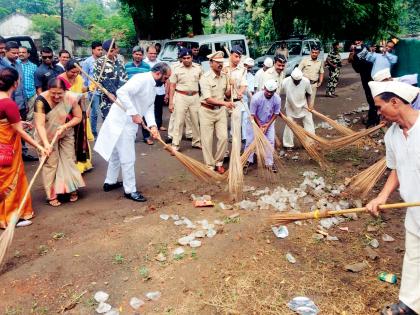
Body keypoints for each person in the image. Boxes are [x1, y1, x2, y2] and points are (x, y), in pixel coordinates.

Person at [366, 80, 420, 315]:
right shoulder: (392, 136)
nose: (378, 113)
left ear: (395, 102)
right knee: (414, 256)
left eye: (380, 107)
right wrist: (382, 196)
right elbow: (395, 169)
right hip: (414, 207)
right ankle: (409, 304)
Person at [94, 63, 171, 202]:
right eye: (166, 78)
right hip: (122, 121)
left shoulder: (153, 86)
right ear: (158, 73)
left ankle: (110, 182)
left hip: (128, 122)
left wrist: (153, 125)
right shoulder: (141, 79)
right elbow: (121, 92)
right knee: (128, 157)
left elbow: (148, 107)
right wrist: (134, 113)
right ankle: (130, 190)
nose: (166, 82)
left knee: (116, 154)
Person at [0, 68, 48, 228]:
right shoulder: (8, 103)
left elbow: (6, 122)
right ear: (16, 83)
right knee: (10, 181)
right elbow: (20, 133)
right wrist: (39, 146)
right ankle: (12, 216)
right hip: (6, 150)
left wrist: (19, 122)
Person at [34, 77, 85, 207]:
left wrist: (65, 126)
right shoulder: (40, 101)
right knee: (50, 164)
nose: (56, 96)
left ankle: (71, 188)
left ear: (65, 91)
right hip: (46, 135)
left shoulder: (71, 98)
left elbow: (78, 117)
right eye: (53, 93)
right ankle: (51, 195)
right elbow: (39, 125)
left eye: (59, 93)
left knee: (69, 160)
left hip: (65, 132)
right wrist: (46, 144)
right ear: (48, 90)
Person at [0, 41, 39, 162]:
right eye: (14, 53)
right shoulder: (2, 66)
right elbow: (19, 130)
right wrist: (40, 147)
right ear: (6, 51)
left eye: (18, 53)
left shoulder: (18, 64)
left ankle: (22, 152)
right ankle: (10, 154)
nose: (17, 55)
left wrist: (26, 103)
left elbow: (21, 86)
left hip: (21, 102)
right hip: (9, 104)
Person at [199, 51, 234, 174]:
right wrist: (225, 103)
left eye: (221, 62)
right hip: (206, 111)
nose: (220, 65)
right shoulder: (204, 78)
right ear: (211, 63)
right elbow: (208, 99)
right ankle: (209, 165)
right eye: (217, 62)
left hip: (220, 112)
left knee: (224, 138)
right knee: (207, 139)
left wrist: (231, 86)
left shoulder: (225, 76)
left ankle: (219, 162)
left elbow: (227, 95)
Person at [58, 59, 94, 174]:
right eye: (72, 72)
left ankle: (81, 164)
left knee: (80, 137)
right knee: (69, 139)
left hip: (78, 110)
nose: (75, 75)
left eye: (77, 72)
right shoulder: (60, 80)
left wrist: (89, 89)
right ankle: (69, 166)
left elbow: (81, 92)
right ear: (66, 70)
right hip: (65, 112)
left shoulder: (78, 78)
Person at [243, 79, 281, 174]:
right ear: (264, 88)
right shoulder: (256, 98)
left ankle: (269, 163)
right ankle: (247, 161)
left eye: (271, 92)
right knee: (250, 141)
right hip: (254, 122)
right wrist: (259, 125)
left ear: (274, 91)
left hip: (268, 122)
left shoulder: (277, 99)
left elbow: (276, 114)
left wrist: (267, 125)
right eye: (267, 91)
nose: (269, 93)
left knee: (270, 142)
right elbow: (252, 114)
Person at [168, 48, 202, 152]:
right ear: (181, 59)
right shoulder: (176, 68)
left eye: (189, 58)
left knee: (196, 121)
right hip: (181, 96)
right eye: (184, 58)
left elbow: (203, 84)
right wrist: (170, 102)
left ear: (192, 57)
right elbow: (172, 86)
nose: (187, 60)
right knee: (179, 121)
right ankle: (175, 144)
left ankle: (196, 142)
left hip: (195, 96)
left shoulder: (198, 68)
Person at [93, 39, 127, 120]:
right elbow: (96, 82)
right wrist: (108, 94)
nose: (111, 53)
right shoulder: (99, 62)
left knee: (120, 121)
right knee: (108, 123)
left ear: (116, 49)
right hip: (106, 99)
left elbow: (125, 78)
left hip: (120, 98)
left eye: (113, 50)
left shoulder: (120, 62)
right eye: (109, 51)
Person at [281, 68, 315, 150]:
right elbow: (278, 93)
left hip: (303, 105)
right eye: (295, 80)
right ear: (291, 77)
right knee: (289, 124)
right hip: (290, 106)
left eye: (299, 80)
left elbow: (309, 94)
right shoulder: (285, 81)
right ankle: (288, 144)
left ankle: (310, 143)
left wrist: (310, 106)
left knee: (309, 123)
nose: (297, 82)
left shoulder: (306, 81)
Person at [348, 40, 378, 127]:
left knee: (375, 99)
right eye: (356, 41)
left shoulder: (371, 51)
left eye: (359, 40)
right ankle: (373, 119)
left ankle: (373, 119)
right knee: (371, 99)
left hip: (375, 79)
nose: (357, 42)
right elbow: (357, 69)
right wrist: (354, 56)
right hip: (367, 80)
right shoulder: (354, 54)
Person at [144, 45, 167, 144]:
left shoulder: (160, 62)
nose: (153, 55)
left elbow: (167, 79)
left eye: (154, 53)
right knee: (148, 110)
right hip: (148, 91)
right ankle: (147, 133)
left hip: (159, 91)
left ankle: (157, 126)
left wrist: (166, 92)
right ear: (147, 53)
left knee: (158, 109)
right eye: (151, 53)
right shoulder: (144, 63)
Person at [82, 41, 103, 138]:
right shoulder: (87, 62)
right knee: (95, 112)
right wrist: (86, 92)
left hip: (103, 90)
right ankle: (93, 132)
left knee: (104, 111)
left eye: (101, 49)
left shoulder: (104, 61)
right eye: (98, 50)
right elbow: (84, 79)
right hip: (93, 91)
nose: (100, 51)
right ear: (93, 50)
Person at [18, 46, 37, 122]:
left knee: (30, 117)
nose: (21, 54)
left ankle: (28, 133)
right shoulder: (14, 65)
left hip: (31, 94)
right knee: (19, 116)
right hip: (19, 96)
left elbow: (36, 81)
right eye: (19, 52)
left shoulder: (34, 66)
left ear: (28, 54)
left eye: (23, 52)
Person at [242, 57, 256, 142]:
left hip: (245, 100)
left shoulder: (251, 77)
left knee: (245, 119)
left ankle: (244, 137)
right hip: (235, 100)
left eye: (251, 67)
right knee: (236, 120)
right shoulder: (237, 73)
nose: (249, 69)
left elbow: (250, 90)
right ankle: (233, 135)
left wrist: (252, 99)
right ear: (244, 65)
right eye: (248, 66)